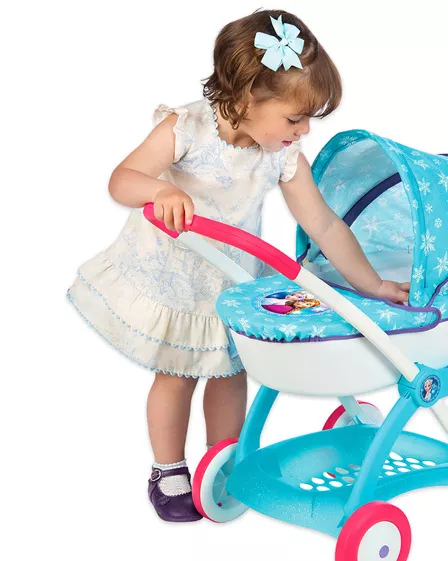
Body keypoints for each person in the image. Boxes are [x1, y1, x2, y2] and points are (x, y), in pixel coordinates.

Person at [66, 9, 410, 523]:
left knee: (231, 371)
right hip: (172, 280)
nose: (304, 130)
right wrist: (160, 190)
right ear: (249, 99)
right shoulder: (187, 128)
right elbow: (122, 180)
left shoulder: (282, 154)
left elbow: (323, 224)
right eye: (295, 118)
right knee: (177, 374)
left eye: (308, 119)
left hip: (232, 279)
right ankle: (167, 468)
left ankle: (222, 461)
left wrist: (373, 283)